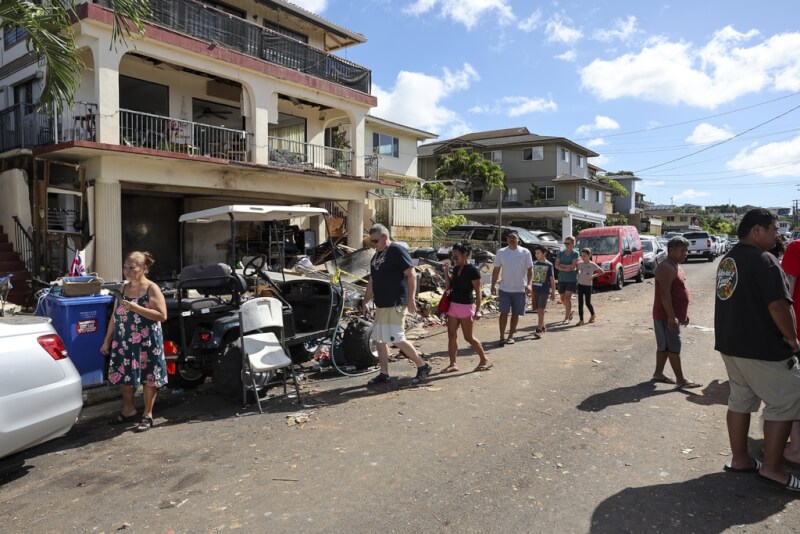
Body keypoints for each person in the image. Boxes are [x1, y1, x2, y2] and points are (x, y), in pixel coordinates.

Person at [716, 208, 800, 492]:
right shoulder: (764, 260)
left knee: (740, 400)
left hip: (731, 344)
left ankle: (741, 459)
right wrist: (792, 338)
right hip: (761, 346)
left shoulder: (729, 259)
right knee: (788, 398)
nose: (778, 234)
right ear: (757, 230)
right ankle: (773, 470)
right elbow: (778, 306)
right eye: (774, 229)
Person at [100, 251, 168, 432]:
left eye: (132, 267)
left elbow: (162, 315)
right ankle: (128, 409)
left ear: (144, 269)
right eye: (125, 266)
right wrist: (107, 340)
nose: (127, 270)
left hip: (147, 342)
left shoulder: (151, 288)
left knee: (149, 377)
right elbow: (115, 316)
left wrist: (136, 307)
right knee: (125, 376)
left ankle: (147, 414)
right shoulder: (122, 289)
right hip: (124, 341)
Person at [362, 224, 431, 386]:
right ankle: (384, 373)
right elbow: (372, 280)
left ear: (385, 237)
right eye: (371, 241)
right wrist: (365, 301)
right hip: (381, 303)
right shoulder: (376, 256)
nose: (373, 244)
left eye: (375, 241)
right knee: (379, 339)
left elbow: (411, 274)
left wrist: (411, 299)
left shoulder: (396, 251)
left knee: (396, 338)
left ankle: (423, 365)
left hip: (395, 302)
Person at [651, 236, 701, 388]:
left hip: (671, 315)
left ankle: (658, 373)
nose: (685, 253)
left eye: (686, 250)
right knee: (673, 347)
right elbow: (664, 294)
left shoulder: (676, 265)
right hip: (665, 315)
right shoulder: (666, 267)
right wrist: (672, 318)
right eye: (682, 251)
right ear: (671, 250)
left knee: (665, 346)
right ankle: (680, 379)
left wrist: (683, 315)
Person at [441, 242, 490, 373]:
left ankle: (484, 360)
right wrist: (445, 272)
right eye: (453, 256)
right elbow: (449, 286)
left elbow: (478, 292)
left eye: (456, 255)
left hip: (466, 307)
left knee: (468, 337)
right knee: (451, 335)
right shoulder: (456, 269)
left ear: (465, 255)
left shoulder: (473, 271)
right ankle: (453, 364)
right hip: (453, 306)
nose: (454, 258)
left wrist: (478, 310)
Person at [490, 232, 533, 345]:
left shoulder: (525, 252)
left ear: (518, 239)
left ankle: (511, 335)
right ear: (507, 239)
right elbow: (496, 269)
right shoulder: (502, 252)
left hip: (520, 289)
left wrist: (529, 284)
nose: (512, 240)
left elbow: (530, 269)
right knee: (503, 312)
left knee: (515, 313)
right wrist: (493, 284)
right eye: (510, 238)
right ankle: (501, 336)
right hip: (504, 288)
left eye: (514, 238)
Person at [782, 238, 800, 465]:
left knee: (795, 392)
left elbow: (788, 287)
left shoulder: (796, 247)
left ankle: (795, 449)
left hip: (797, 333)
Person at [531, 245, 556, 335]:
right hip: (535, 289)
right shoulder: (534, 264)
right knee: (537, 309)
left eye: (538, 253)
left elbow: (552, 279)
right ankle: (542, 325)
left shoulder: (549, 265)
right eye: (535, 253)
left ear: (544, 253)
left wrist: (553, 292)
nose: (536, 255)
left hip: (544, 290)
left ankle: (539, 329)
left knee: (541, 309)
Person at [576, 248, 604, 326]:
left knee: (588, 302)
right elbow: (578, 270)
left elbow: (602, 272)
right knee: (580, 303)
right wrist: (578, 272)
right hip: (580, 284)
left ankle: (593, 315)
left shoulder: (592, 264)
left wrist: (593, 276)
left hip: (588, 285)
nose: (583, 257)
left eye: (585, 256)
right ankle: (581, 320)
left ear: (589, 255)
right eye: (582, 256)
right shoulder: (580, 264)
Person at [555, 236, 579, 324]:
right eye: (565, 243)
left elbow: (572, 266)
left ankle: (566, 317)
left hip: (571, 279)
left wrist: (562, 265)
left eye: (568, 243)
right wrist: (565, 268)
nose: (566, 245)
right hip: (562, 278)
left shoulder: (575, 253)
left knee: (567, 297)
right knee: (562, 298)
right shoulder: (561, 253)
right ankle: (569, 311)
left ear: (573, 244)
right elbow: (556, 265)